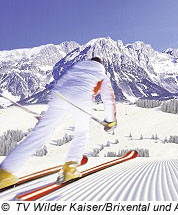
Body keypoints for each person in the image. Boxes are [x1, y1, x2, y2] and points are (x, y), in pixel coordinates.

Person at [0, 57, 117, 188]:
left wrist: (47, 117)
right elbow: (109, 99)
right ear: (101, 65)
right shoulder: (102, 75)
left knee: (39, 134)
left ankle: (4, 172)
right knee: (82, 132)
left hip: (59, 96)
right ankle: (70, 168)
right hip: (82, 98)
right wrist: (110, 122)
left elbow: (60, 85)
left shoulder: (75, 68)